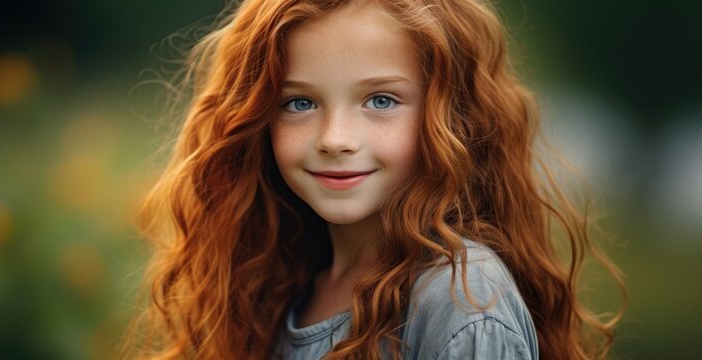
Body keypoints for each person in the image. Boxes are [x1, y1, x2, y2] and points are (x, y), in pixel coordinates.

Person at [121, 0, 626, 359]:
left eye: (380, 100)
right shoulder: (281, 282)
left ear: (449, 115)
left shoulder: (462, 299)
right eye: (300, 102)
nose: (335, 139)